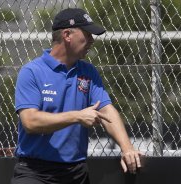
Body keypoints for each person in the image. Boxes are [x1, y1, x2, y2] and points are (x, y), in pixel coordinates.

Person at [11, 8, 143, 184]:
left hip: (76, 173)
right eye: (87, 35)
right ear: (67, 35)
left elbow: (106, 110)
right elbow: (30, 122)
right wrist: (77, 116)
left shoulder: (88, 72)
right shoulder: (32, 72)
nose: (92, 41)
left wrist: (127, 149)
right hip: (34, 172)